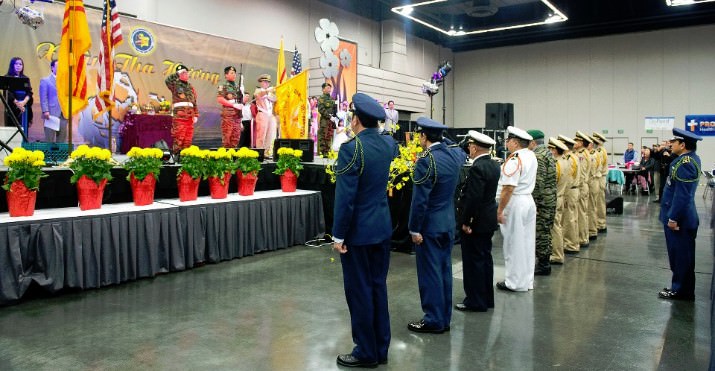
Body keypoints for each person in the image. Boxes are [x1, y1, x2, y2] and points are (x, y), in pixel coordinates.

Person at [332, 93, 398, 368]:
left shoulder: (352, 148)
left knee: (359, 291)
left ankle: (365, 351)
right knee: (377, 288)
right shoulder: (388, 144)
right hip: (382, 228)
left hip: (358, 233)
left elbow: (346, 198)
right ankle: (380, 348)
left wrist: (338, 235)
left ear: (356, 119)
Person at [406, 117, 466, 332]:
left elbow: (420, 200)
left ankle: (433, 319)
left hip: (429, 226)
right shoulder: (453, 155)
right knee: (444, 271)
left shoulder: (426, 161)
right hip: (448, 222)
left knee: (430, 273)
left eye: (420, 136)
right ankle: (444, 318)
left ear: (423, 137)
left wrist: (414, 228)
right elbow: (459, 149)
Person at [455, 131, 499, 312]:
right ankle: (487, 297)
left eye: (470, 147)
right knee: (485, 260)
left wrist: (467, 222)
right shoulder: (494, 164)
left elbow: (473, 199)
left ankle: (475, 300)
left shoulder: (477, 168)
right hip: (488, 219)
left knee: (473, 262)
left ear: (474, 147)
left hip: (476, 222)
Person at [658, 128, 702, 301]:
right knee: (679, 256)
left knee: (682, 257)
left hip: (680, 221)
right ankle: (681, 287)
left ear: (682, 145)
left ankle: (680, 290)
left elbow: (683, 195)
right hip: (678, 217)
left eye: (673, 142)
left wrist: (673, 218)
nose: (670, 144)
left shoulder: (686, 164)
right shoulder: (683, 160)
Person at [496, 126, 537, 292]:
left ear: (514, 142)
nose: (507, 144)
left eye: (508, 141)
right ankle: (526, 281)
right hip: (528, 200)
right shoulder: (531, 155)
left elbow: (508, 188)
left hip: (516, 202)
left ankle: (513, 282)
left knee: (513, 244)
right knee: (527, 243)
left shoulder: (515, 159)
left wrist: (500, 210)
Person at [527, 129, 557, 276]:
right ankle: (544, 261)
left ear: (533, 142)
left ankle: (544, 264)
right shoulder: (548, 153)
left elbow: (538, 183)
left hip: (543, 201)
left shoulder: (538, 156)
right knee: (545, 231)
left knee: (541, 233)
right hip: (550, 198)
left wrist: (534, 203)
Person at [548, 137, 574, 265]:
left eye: (550, 148)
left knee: (555, 227)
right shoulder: (565, 161)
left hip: (555, 196)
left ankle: (557, 254)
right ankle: (557, 252)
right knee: (558, 224)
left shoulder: (556, 164)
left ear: (554, 150)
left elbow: (552, 183)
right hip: (562, 195)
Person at [165, 64, 198, 153]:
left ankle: (185, 159)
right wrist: (177, 74)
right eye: (184, 73)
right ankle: (176, 158)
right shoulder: (174, 84)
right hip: (180, 116)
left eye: (187, 73)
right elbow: (167, 81)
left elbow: (194, 102)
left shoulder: (190, 87)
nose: (186, 74)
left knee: (188, 139)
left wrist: (196, 115)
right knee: (179, 138)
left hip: (190, 116)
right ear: (179, 74)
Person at [558, 134, 581, 255]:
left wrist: (563, 192)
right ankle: (572, 242)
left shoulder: (569, 158)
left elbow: (568, 177)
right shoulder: (573, 156)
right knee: (572, 217)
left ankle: (571, 244)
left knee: (569, 219)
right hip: (573, 190)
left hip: (570, 190)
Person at [39, 59, 67, 142]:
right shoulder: (45, 81)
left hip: (63, 114)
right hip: (51, 113)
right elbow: (43, 97)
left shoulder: (66, 81)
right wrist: (45, 111)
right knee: (49, 139)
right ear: (52, 67)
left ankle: (60, 155)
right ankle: (48, 155)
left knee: (62, 139)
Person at [573, 131, 592, 248]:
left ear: (580, 142)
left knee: (581, 213)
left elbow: (582, 173)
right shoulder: (582, 153)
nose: (574, 143)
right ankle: (583, 237)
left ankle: (582, 238)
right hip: (582, 185)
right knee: (582, 212)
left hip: (581, 186)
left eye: (576, 141)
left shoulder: (582, 155)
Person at [216, 66, 243, 148]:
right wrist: (233, 105)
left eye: (235, 73)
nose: (234, 74)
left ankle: (233, 156)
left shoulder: (238, 87)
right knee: (227, 136)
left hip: (237, 115)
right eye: (231, 73)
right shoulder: (223, 86)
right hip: (228, 114)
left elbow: (240, 100)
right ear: (226, 75)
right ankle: (226, 158)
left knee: (236, 136)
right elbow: (220, 99)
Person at [3, 57, 33, 131]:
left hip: (24, 108)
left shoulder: (25, 78)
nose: (18, 66)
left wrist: (23, 102)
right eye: (16, 64)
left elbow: (29, 92)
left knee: (24, 130)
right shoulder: (7, 78)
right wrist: (18, 104)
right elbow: (8, 93)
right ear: (12, 65)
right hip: (12, 109)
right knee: (12, 131)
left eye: (20, 64)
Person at [253, 74, 277, 157]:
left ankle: (267, 152)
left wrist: (269, 93)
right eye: (265, 82)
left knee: (270, 135)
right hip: (262, 114)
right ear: (261, 82)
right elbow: (259, 94)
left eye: (268, 82)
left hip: (270, 115)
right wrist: (267, 92)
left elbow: (275, 99)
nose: (267, 84)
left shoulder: (270, 92)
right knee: (261, 135)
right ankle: (260, 153)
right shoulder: (258, 90)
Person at [592, 132, 609, 233]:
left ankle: (600, 223)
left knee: (599, 202)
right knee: (599, 202)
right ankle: (600, 223)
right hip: (601, 177)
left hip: (600, 177)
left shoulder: (599, 151)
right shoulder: (602, 150)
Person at [317, 82, 337, 156]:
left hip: (331, 121)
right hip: (325, 120)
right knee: (323, 136)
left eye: (330, 88)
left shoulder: (331, 99)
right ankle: (323, 152)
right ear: (323, 89)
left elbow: (334, 109)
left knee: (329, 135)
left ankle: (328, 151)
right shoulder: (321, 98)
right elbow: (321, 109)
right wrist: (329, 116)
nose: (329, 89)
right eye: (328, 88)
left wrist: (334, 115)